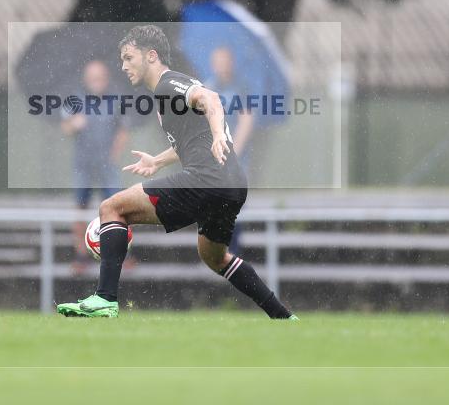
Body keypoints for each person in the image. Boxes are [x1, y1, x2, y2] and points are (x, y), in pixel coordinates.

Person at [57, 25, 297, 319]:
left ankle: (105, 298)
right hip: (231, 183)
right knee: (216, 258)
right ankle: (282, 316)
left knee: (112, 207)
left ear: (151, 56)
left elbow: (211, 99)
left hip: (207, 179)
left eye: (129, 57)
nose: (123, 65)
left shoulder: (170, 84)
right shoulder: (166, 94)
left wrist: (220, 134)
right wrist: (158, 161)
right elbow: (193, 139)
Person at [60, 60, 129, 270]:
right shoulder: (75, 99)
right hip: (83, 164)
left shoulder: (115, 100)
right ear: (86, 79)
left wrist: (114, 154)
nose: (96, 82)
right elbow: (65, 127)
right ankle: (81, 256)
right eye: (92, 77)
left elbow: (123, 130)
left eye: (100, 77)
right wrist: (74, 123)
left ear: (105, 78)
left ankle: (119, 255)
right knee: (80, 208)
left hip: (107, 166)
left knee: (117, 209)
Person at [203, 47, 254, 255]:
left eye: (225, 61)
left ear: (231, 63)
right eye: (218, 61)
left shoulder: (241, 87)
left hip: (235, 155)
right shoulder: (208, 87)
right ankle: (213, 251)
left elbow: (247, 120)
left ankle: (233, 251)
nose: (222, 66)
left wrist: (233, 150)